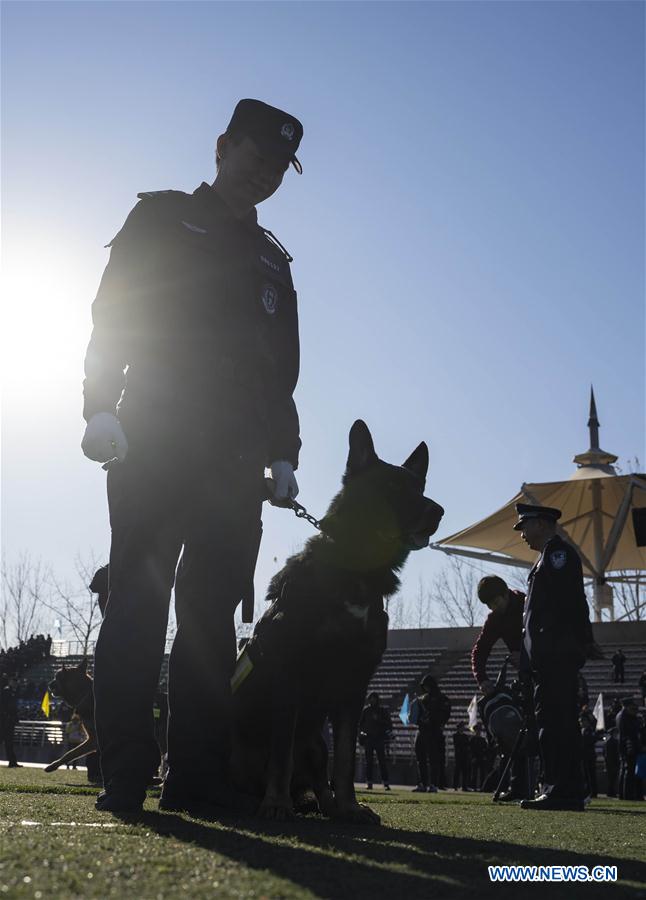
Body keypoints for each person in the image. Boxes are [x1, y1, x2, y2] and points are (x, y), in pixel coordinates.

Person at [81, 99, 304, 813]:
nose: (264, 174)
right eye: (254, 156)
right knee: (138, 609)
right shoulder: (161, 217)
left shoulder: (272, 258)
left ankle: (197, 779)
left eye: (278, 166)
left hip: (233, 465)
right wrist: (99, 406)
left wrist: (283, 451)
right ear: (222, 147)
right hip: (153, 442)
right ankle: (123, 775)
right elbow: (114, 313)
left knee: (211, 621)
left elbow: (280, 370)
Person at [513, 503, 593, 812]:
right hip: (548, 655)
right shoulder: (545, 559)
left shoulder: (558, 556)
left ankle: (561, 789)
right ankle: (562, 787)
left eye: (525, 526)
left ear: (543, 524)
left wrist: (581, 641)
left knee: (556, 722)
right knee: (553, 721)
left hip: (556, 654)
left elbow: (571, 603)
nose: (522, 534)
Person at [473, 575, 530, 801]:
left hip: (547, 669)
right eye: (488, 606)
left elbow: (545, 638)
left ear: (506, 594)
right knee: (516, 733)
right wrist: (482, 679)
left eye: (495, 603)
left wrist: (525, 655)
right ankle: (518, 788)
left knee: (545, 730)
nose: (492, 609)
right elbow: (480, 650)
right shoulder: (495, 619)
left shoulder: (528, 604)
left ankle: (552, 784)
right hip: (525, 676)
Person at [411, 674, 451, 793]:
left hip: (434, 732)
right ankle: (422, 783)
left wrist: (433, 718)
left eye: (427, 686)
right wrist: (419, 720)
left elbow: (445, 715)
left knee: (434, 760)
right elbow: (415, 716)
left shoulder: (442, 699)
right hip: (422, 731)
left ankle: (433, 784)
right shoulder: (421, 699)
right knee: (420, 759)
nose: (426, 688)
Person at [359, 692, 392, 791]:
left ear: (377, 699)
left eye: (374, 698)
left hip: (379, 739)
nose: (372, 700)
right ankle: (369, 783)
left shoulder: (382, 711)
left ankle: (386, 783)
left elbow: (388, 724)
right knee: (369, 762)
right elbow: (361, 725)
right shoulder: (366, 711)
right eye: (371, 698)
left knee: (382, 762)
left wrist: (379, 721)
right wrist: (362, 736)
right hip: (369, 739)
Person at [616, 698, 643, 801]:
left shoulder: (620, 715)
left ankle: (623, 794)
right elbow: (631, 733)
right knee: (629, 772)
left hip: (624, 746)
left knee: (624, 771)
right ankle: (628, 795)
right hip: (628, 747)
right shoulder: (626, 717)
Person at [0, 676, 21, 768]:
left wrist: (15, 717)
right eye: (14, 681)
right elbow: (4, 705)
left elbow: (13, 707)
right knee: (7, 741)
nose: (15, 683)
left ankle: (12, 761)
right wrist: (6, 715)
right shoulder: (7, 691)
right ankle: (12, 761)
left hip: (9, 720)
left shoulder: (13, 692)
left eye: (16, 682)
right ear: (10, 682)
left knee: (9, 742)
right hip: (4, 720)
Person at [452, 723, 470, 791]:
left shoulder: (465, 736)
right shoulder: (455, 735)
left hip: (464, 756)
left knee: (465, 772)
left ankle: (464, 786)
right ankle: (455, 786)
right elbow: (458, 745)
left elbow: (467, 745)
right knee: (457, 771)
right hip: (459, 756)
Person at [602, 727, 619, 798]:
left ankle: (610, 792)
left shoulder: (607, 742)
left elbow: (604, 753)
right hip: (613, 762)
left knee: (610, 778)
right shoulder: (614, 742)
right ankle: (611, 792)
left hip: (608, 762)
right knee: (612, 778)